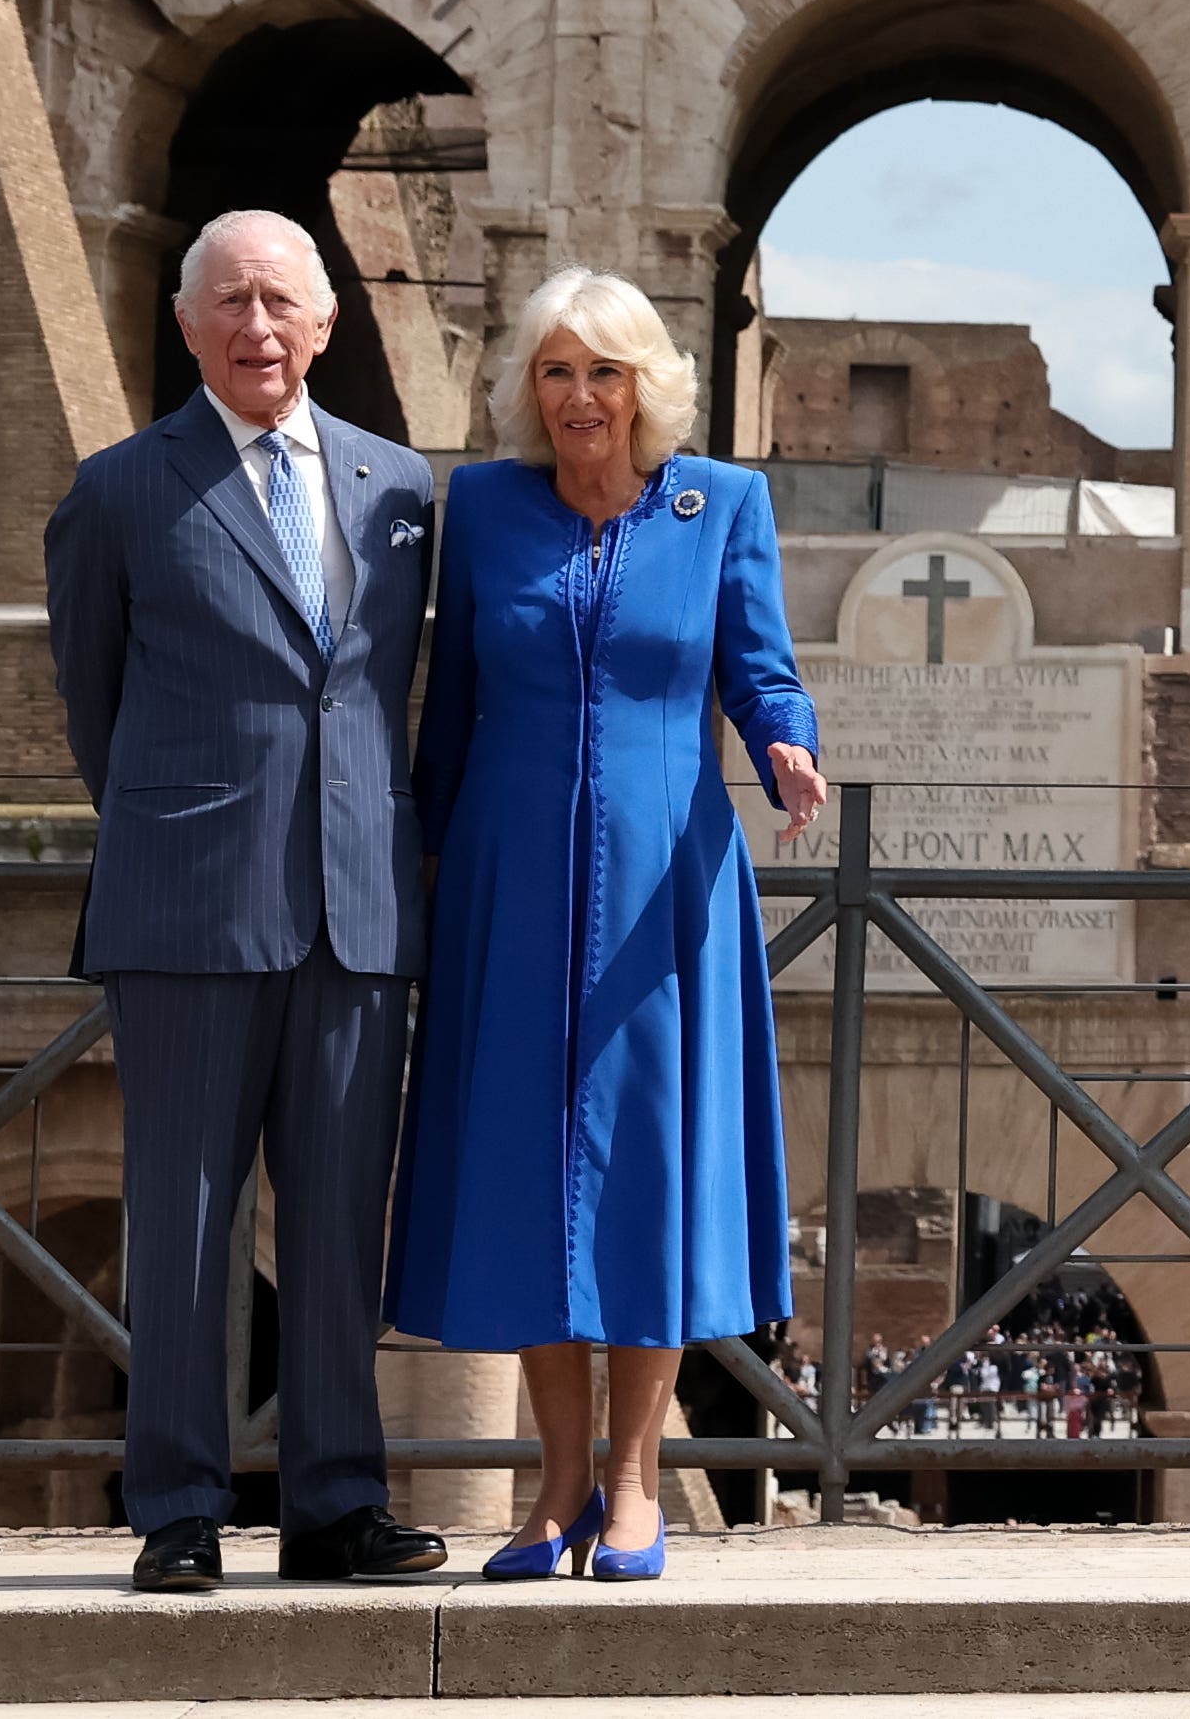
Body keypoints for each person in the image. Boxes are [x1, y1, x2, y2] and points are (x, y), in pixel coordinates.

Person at [387, 266, 828, 1584]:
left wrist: (789, 746)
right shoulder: (483, 507)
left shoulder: (721, 506)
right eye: (556, 372)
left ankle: (636, 1484)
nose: (579, 397)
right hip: (505, 880)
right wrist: (415, 863)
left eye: (605, 372)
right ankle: (554, 1488)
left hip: (666, 886)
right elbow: (446, 708)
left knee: (649, 1167)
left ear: (648, 388)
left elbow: (760, 669)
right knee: (528, 1170)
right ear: (530, 391)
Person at [44, 209, 448, 1595]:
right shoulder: (118, 492)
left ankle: (339, 1506)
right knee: (182, 1218)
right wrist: (189, 830)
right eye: (229, 302)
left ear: (327, 322)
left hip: (358, 912)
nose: (257, 327)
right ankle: (178, 1509)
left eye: (281, 301)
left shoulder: (401, 492)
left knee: (340, 1227)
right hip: (187, 910)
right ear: (186, 322)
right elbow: (94, 709)